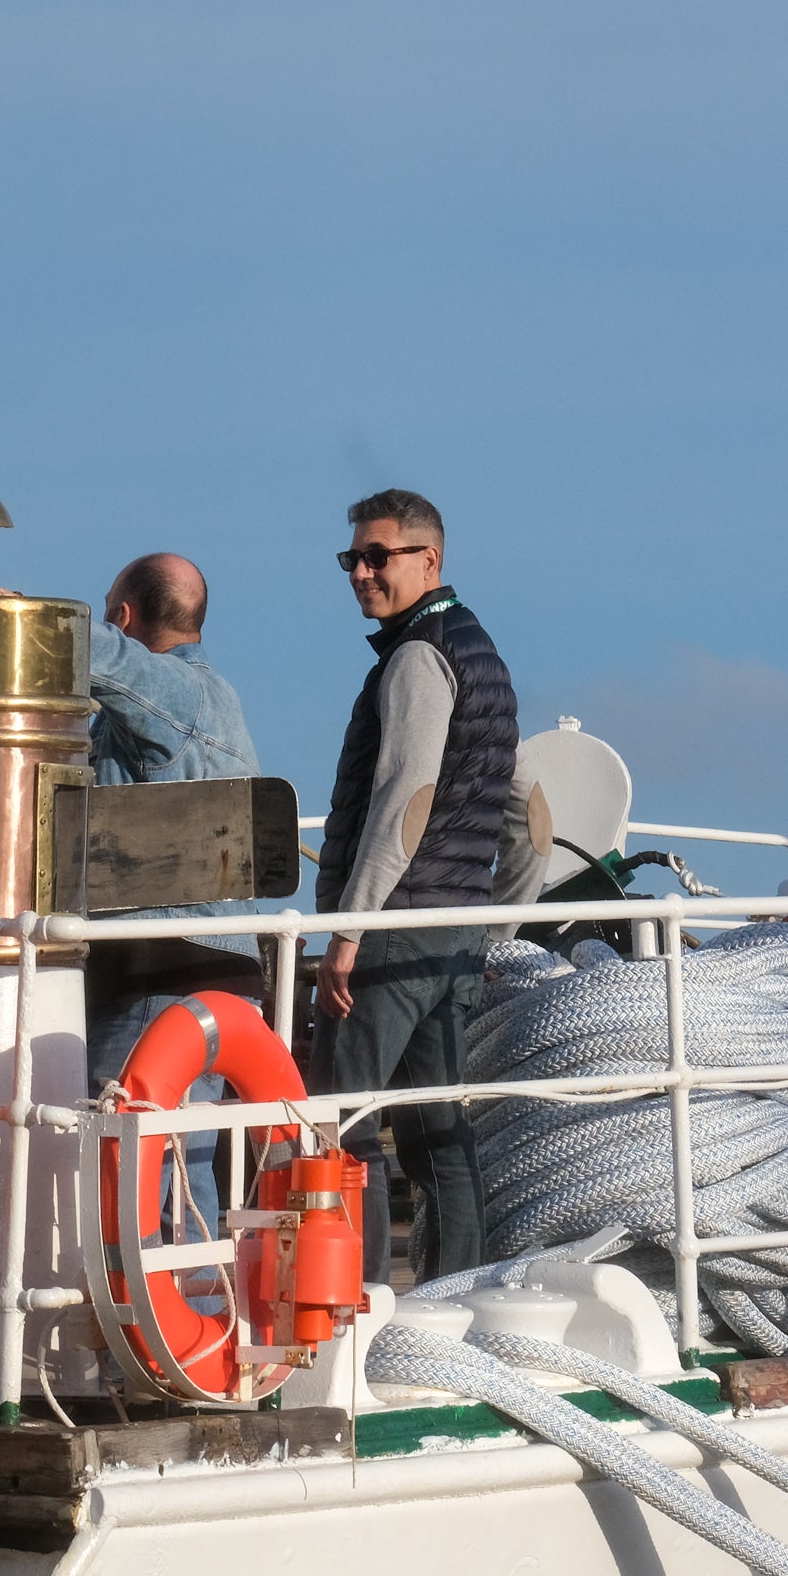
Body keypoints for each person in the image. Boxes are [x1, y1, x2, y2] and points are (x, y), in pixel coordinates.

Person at [311, 489, 517, 1287]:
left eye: (377, 557)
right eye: (351, 559)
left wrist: (348, 930)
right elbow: (525, 811)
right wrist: (496, 927)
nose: (361, 573)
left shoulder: (416, 655)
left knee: (345, 1123)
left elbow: (404, 803)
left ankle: (350, 1311)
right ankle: (450, 1305)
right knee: (438, 1136)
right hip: (455, 929)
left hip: (396, 931)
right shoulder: (480, 651)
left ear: (428, 559)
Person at [81, 554, 263, 1237]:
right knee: (183, 1167)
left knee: (141, 1171)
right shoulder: (219, 698)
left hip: (163, 969)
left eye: (108, 611)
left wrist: (21, 617)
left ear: (124, 617)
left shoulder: (180, 692)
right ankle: (192, 1329)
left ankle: (149, 1337)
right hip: (204, 963)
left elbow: (107, 662)